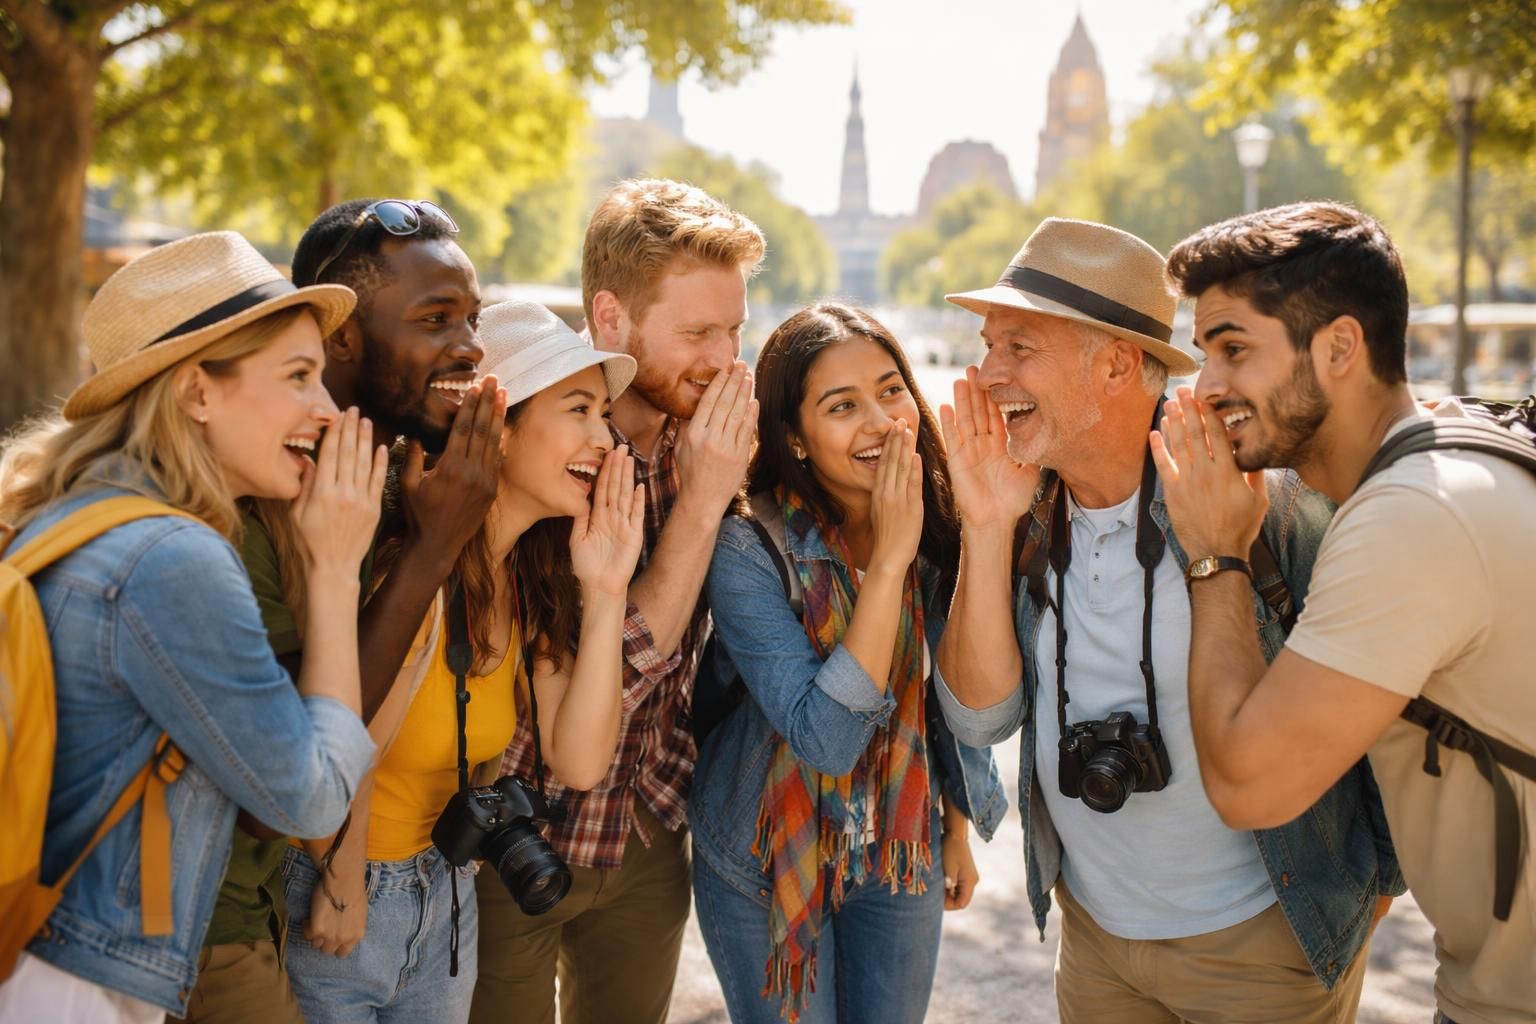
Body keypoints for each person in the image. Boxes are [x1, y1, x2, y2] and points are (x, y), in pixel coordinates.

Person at [932, 217, 1403, 1024]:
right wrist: (983, 524)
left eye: (1018, 347)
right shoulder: (1025, 506)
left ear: (1116, 363)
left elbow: (1389, 719)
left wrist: (1369, 895)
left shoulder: (1267, 501)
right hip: (1094, 942)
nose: (986, 373)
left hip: (1265, 945)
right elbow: (980, 719)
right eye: (987, 344)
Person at [1153, 201, 1535, 1024]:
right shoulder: (1455, 443)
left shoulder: (1410, 519)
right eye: (1201, 355)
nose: (1207, 385)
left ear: (1338, 347)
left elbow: (1249, 786)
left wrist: (1216, 552)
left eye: (1233, 349)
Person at [0, 232, 380, 1022]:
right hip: (84, 987)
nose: (329, 408)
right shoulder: (175, 560)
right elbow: (308, 801)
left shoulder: (72, 517)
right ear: (197, 392)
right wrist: (336, 570)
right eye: (299, 376)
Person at [174, 198, 503, 1024]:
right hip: (204, 920)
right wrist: (430, 552)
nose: (469, 345)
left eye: (473, 316)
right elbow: (285, 778)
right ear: (343, 339)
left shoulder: (399, 471)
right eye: (436, 319)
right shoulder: (248, 498)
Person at [278, 300, 645, 1024]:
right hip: (343, 893)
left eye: (604, 415)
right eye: (578, 409)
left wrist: (605, 593)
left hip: (445, 897)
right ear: (497, 431)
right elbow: (349, 739)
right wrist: (344, 879)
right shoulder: (412, 569)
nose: (604, 439)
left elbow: (577, 761)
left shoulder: (524, 577)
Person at [471, 179, 763, 1024]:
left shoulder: (707, 432)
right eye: (698, 331)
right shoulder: (539, 435)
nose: (723, 357)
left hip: (644, 828)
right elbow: (613, 673)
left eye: (735, 328)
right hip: (513, 834)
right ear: (610, 317)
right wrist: (705, 504)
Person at [689, 303, 1006, 1023]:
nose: (881, 420)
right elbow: (824, 738)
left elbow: (943, 699)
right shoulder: (748, 547)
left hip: (898, 843)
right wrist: (888, 561)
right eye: (842, 405)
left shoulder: (942, 514)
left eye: (891, 390)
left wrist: (955, 831)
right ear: (795, 438)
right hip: (766, 853)